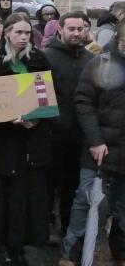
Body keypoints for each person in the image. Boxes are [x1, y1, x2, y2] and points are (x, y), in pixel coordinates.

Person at [0, 13, 53, 265]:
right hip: (3, 139)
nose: (23, 37)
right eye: (18, 32)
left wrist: (38, 118)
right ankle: (4, 241)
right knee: (4, 192)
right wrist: (9, 118)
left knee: (26, 193)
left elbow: (46, 96)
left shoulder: (40, 59)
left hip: (31, 140)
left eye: (27, 33)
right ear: (7, 33)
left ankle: (20, 242)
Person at [59, 20, 125, 266]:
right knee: (86, 204)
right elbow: (83, 103)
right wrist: (96, 141)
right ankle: (72, 255)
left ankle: (120, 253)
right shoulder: (101, 64)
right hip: (100, 151)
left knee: (122, 209)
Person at [42, 13, 94, 243]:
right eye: (71, 28)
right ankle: (46, 224)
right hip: (51, 134)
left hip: (80, 136)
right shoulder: (46, 57)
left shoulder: (91, 60)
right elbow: (38, 96)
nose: (76, 33)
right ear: (60, 29)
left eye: (80, 29)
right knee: (48, 183)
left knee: (72, 185)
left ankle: (67, 227)